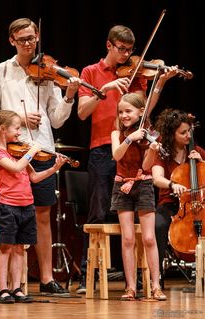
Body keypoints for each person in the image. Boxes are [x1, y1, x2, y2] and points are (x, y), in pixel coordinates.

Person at [0, 17, 81, 295]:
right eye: (22, 39)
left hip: (42, 150)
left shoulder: (47, 73)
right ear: (11, 40)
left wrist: (70, 96)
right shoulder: (0, 72)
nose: (28, 43)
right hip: (11, 152)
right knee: (6, 213)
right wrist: (19, 119)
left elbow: (57, 119)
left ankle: (47, 278)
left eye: (32, 38)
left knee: (43, 214)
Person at [76, 25, 178, 294]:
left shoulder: (136, 75)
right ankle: (90, 277)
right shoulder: (90, 72)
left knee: (140, 228)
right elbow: (82, 113)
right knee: (97, 212)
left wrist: (160, 82)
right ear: (108, 45)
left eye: (130, 50)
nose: (126, 55)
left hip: (136, 155)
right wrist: (105, 88)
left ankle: (145, 282)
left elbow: (145, 110)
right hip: (102, 149)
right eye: (121, 49)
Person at [0, 110, 66, 303]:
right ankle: (3, 289)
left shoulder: (18, 151)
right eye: (16, 128)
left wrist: (55, 168)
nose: (19, 133)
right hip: (8, 206)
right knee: (6, 248)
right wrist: (32, 151)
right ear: (2, 129)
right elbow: (15, 168)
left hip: (26, 205)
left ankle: (17, 289)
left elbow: (35, 177)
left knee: (21, 248)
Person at [110, 93, 165, 300]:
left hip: (143, 184)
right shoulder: (117, 133)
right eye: (121, 111)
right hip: (122, 185)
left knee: (149, 238)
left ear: (141, 112)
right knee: (128, 238)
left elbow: (145, 166)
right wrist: (129, 139)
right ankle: (130, 287)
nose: (124, 115)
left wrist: (151, 149)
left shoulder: (150, 134)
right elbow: (116, 155)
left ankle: (155, 286)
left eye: (128, 111)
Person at [152, 108, 205, 287]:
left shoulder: (197, 151)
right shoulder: (163, 153)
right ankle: (156, 274)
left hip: (197, 204)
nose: (188, 135)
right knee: (158, 225)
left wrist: (203, 163)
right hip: (170, 203)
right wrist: (172, 184)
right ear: (171, 134)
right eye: (183, 132)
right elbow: (157, 178)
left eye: (189, 131)